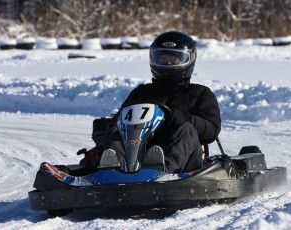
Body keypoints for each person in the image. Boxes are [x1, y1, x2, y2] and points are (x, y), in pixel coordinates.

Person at [83, 31, 221, 173]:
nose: (167, 63)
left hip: (183, 163)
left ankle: (161, 171)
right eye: (162, 59)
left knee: (188, 129)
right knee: (116, 128)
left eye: (174, 60)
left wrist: (181, 118)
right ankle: (115, 169)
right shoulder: (142, 92)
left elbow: (212, 131)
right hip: (138, 154)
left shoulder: (200, 93)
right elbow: (118, 120)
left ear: (188, 60)